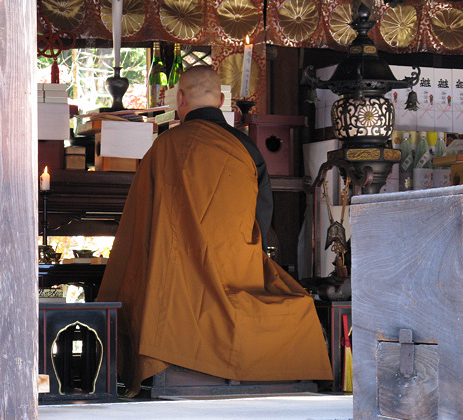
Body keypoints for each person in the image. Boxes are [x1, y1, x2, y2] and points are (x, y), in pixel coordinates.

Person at [97, 65, 332, 396]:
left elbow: (141, 224)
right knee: (294, 302)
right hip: (235, 270)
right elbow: (261, 218)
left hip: (174, 282)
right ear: (223, 101)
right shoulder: (245, 147)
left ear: (179, 99)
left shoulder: (164, 147)